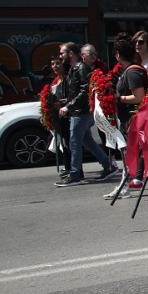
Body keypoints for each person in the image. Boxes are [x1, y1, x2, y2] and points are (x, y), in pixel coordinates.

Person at [54, 42, 118, 187]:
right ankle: (108, 165)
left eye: (62, 53)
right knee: (87, 141)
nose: (60, 56)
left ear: (70, 54)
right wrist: (64, 102)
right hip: (79, 112)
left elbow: (85, 91)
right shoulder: (73, 69)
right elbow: (77, 92)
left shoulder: (81, 68)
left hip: (81, 113)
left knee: (74, 142)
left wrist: (68, 106)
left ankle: (75, 174)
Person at [103, 34, 148, 200]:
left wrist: (118, 98)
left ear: (117, 54)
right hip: (129, 119)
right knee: (140, 154)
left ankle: (124, 188)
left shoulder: (132, 72)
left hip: (133, 119)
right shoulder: (128, 71)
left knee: (131, 154)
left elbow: (139, 97)